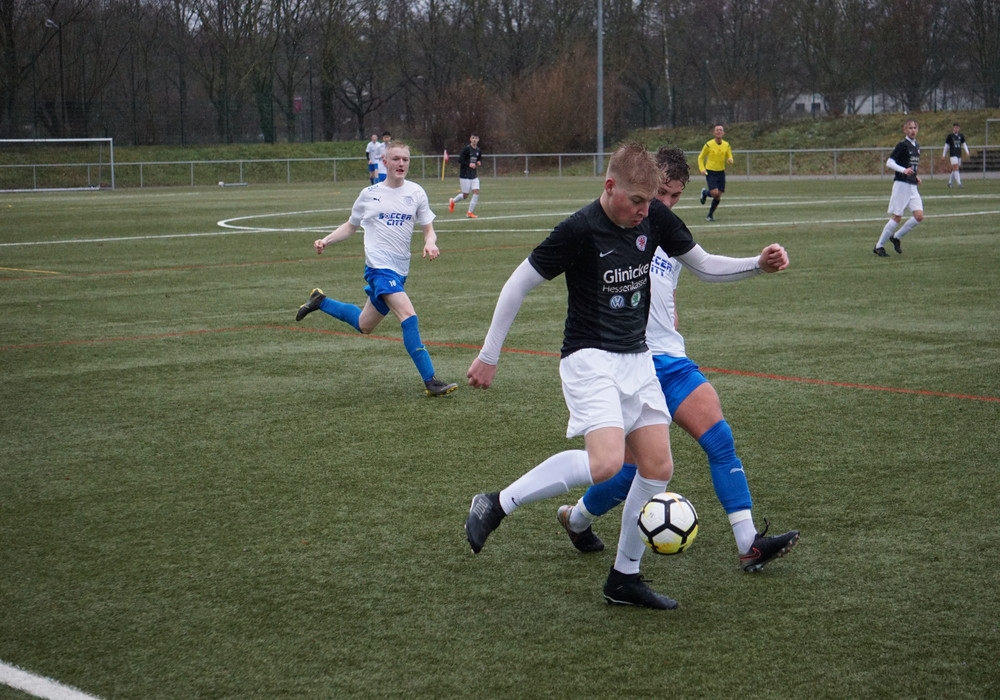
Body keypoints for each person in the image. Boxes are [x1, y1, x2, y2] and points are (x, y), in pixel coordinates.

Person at [463, 141, 788, 610]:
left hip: (638, 358)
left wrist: (757, 264)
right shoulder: (579, 229)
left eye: (651, 201)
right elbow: (518, 284)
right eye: (637, 200)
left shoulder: (654, 218)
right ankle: (496, 503)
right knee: (607, 465)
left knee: (657, 468)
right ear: (610, 186)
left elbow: (704, 266)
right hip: (589, 357)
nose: (644, 211)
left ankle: (623, 578)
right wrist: (489, 354)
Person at [556, 146, 799, 572]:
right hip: (628, 362)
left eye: (674, 196)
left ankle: (749, 544)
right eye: (660, 194)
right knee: (630, 471)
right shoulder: (614, 227)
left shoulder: (667, 232)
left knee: (720, 439)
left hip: (670, 359)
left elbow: (698, 270)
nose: (665, 204)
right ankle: (576, 519)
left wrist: (758, 264)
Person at [294, 141, 458, 397]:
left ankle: (320, 301)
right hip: (379, 269)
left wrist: (430, 242)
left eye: (405, 159)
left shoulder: (416, 193)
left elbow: (429, 230)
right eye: (396, 159)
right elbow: (351, 226)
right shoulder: (369, 194)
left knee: (364, 324)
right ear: (385, 162)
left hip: (399, 271)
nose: (401, 163)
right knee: (408, 316)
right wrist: (326, 240)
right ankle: (431, 380)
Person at [874, 119, 923, 257]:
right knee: (897, 217)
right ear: (905, 130)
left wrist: (915, 176)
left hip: (912, 186)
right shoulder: (902, 145)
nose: (913, 130)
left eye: (915, 127)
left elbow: (911, 166)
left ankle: (896, 237)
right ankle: (879, 246)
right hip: (901, 185)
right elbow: (889, 162)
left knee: (919, 216)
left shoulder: (917, 146)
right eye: (910, 128)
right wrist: (903, 170)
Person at [697, 123, 734, 222]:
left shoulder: (726, 145)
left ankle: (710, 215)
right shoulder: (708, 144)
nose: (719, 131)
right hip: (711, 171)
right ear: (714, 133)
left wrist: (730, 160)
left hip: (721, 172)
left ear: (723, 133)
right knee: (714, 193)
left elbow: (729, 156)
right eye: (717, 130)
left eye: (721, 130)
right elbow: (701, 157)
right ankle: (705, 192)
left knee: (718, 195)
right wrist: (702, 168)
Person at [448, 133, 483, 218]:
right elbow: (460, 160)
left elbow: (478, 159)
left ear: (478, 140)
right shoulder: (466, 149)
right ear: (470, 139)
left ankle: (470, 212)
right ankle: (453, 201)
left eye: (476, 138)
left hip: (473, 175)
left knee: (476, 191)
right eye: (473, 138)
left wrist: (478, 162)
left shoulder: (478, 150)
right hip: (465, 175)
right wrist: (468, 164)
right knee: (465, 195)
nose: (474, 140)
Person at [942, 122, 970, 189]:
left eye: (957, 128)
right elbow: (946, 146)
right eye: (955, 128)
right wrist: (943, 155)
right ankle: (959, 183)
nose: (956, 129)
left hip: (958, 154)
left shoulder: (961, 136)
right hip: (953, 154)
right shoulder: (950, 136)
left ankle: (950, 182)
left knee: (955, 169)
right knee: (956, 168)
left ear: (959, 128)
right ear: (953, 128)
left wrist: (967, 151)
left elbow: (964, 144)